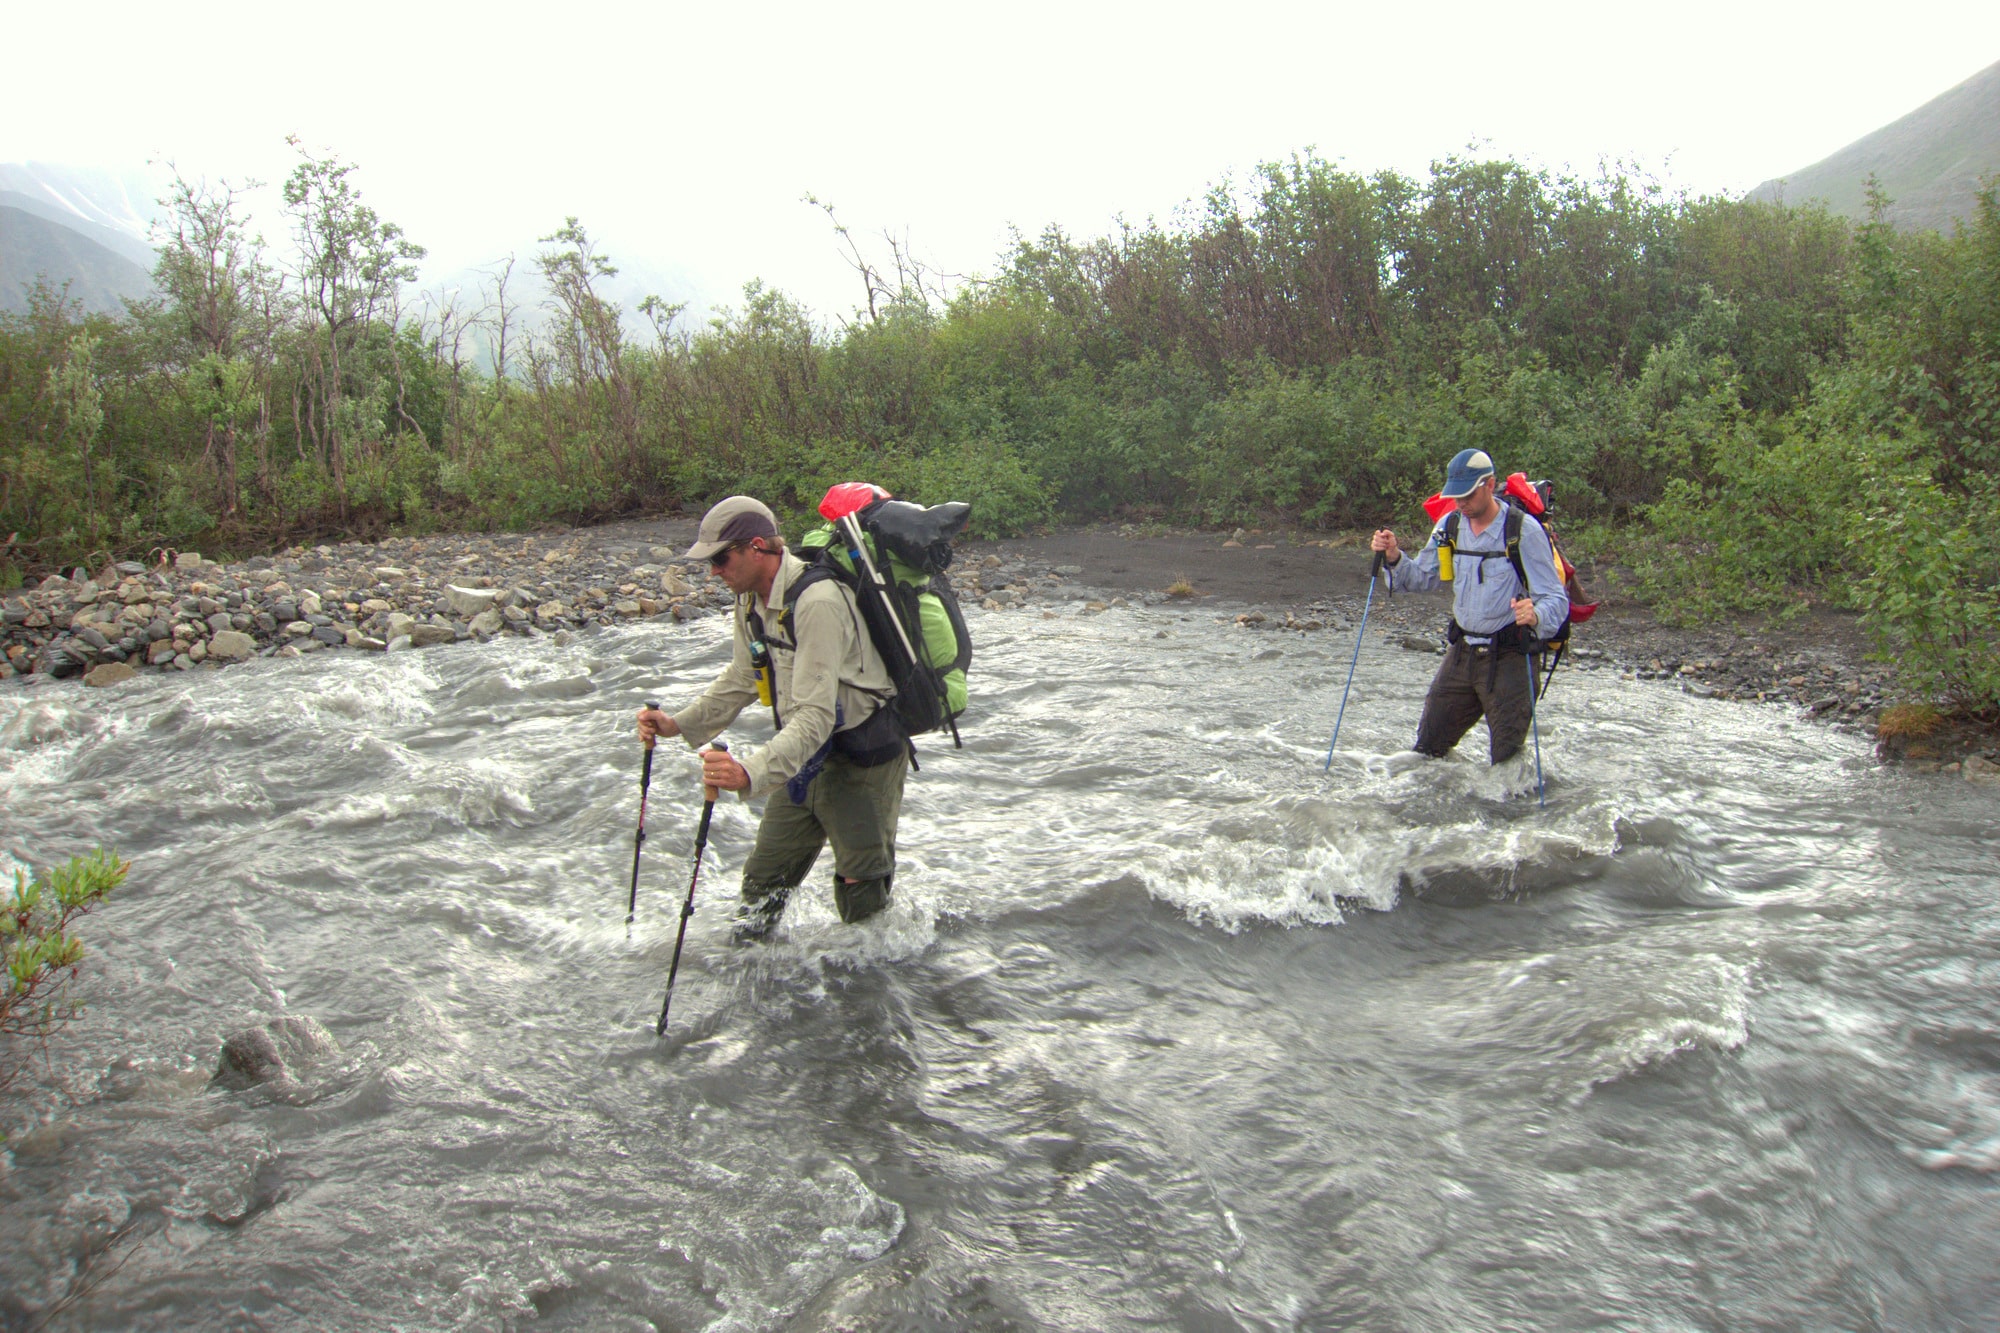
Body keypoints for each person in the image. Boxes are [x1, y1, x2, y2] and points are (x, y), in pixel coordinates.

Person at [636, 495, 907, 942]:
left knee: (863, 907)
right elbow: (745, 675)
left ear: (757, 547)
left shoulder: (818, 601)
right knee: (761, 888)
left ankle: (871, 1000)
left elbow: (816, 716)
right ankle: (749, 989)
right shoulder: (750, 600)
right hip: (803, 757)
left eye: (721, 559)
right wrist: (679, 724)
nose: (714, 572)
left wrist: (748, 774)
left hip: (863, 761)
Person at [1369, 449, 1569, 765]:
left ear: (1489, 484)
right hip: (1462, 654)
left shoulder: (1523, 531)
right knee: (1426, 754)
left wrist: (1537, 614)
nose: (1460, 502)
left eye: (1467, 494)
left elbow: (1556, 601)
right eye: (1455, 494)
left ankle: (1511, 813)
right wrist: (1393, 557)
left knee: (1507, 765)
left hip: (1510, 657)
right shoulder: (1449, 526)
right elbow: (1422, 578)